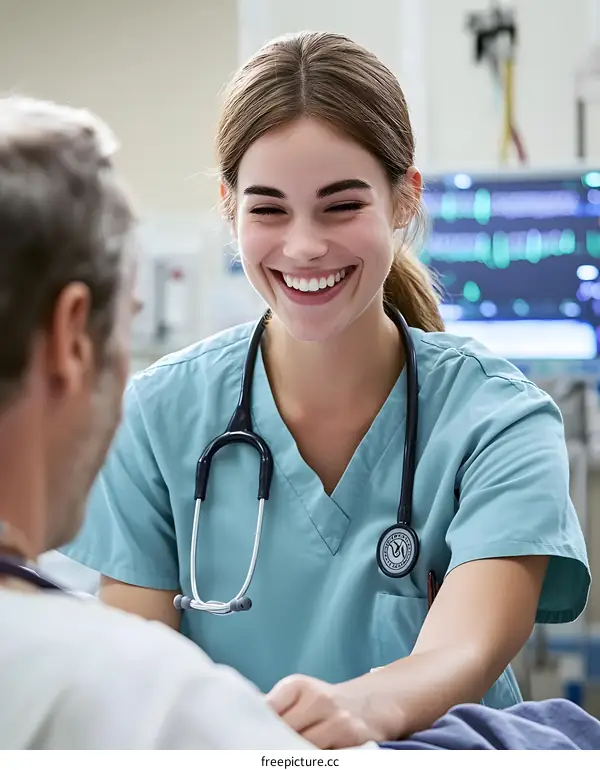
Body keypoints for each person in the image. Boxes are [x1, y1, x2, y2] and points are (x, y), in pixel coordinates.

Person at [1, 92, 599, 754]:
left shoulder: (499, 417)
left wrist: (345, 716)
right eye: (268, 209)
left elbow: (468, 648)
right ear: (230, 209)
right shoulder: (156, 414)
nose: (305, 245)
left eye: (342, 205)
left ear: (405, 199)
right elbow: (138, 682)